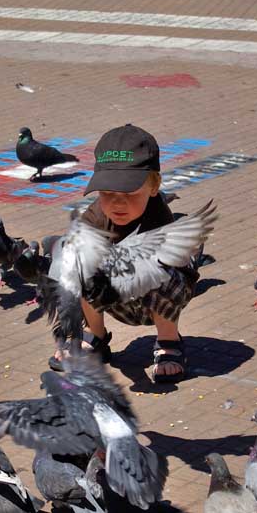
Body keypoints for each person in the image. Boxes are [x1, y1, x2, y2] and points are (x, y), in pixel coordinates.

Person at [50, 124, 200, 383]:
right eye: (108, 193)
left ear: (154, 187)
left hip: (159, 298)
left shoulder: (157, 216)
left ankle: (168, 341)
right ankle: (93, 336)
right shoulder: (94, 216)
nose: (118, 203)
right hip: (116, 297)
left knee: (161, 273)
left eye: (129, 193)